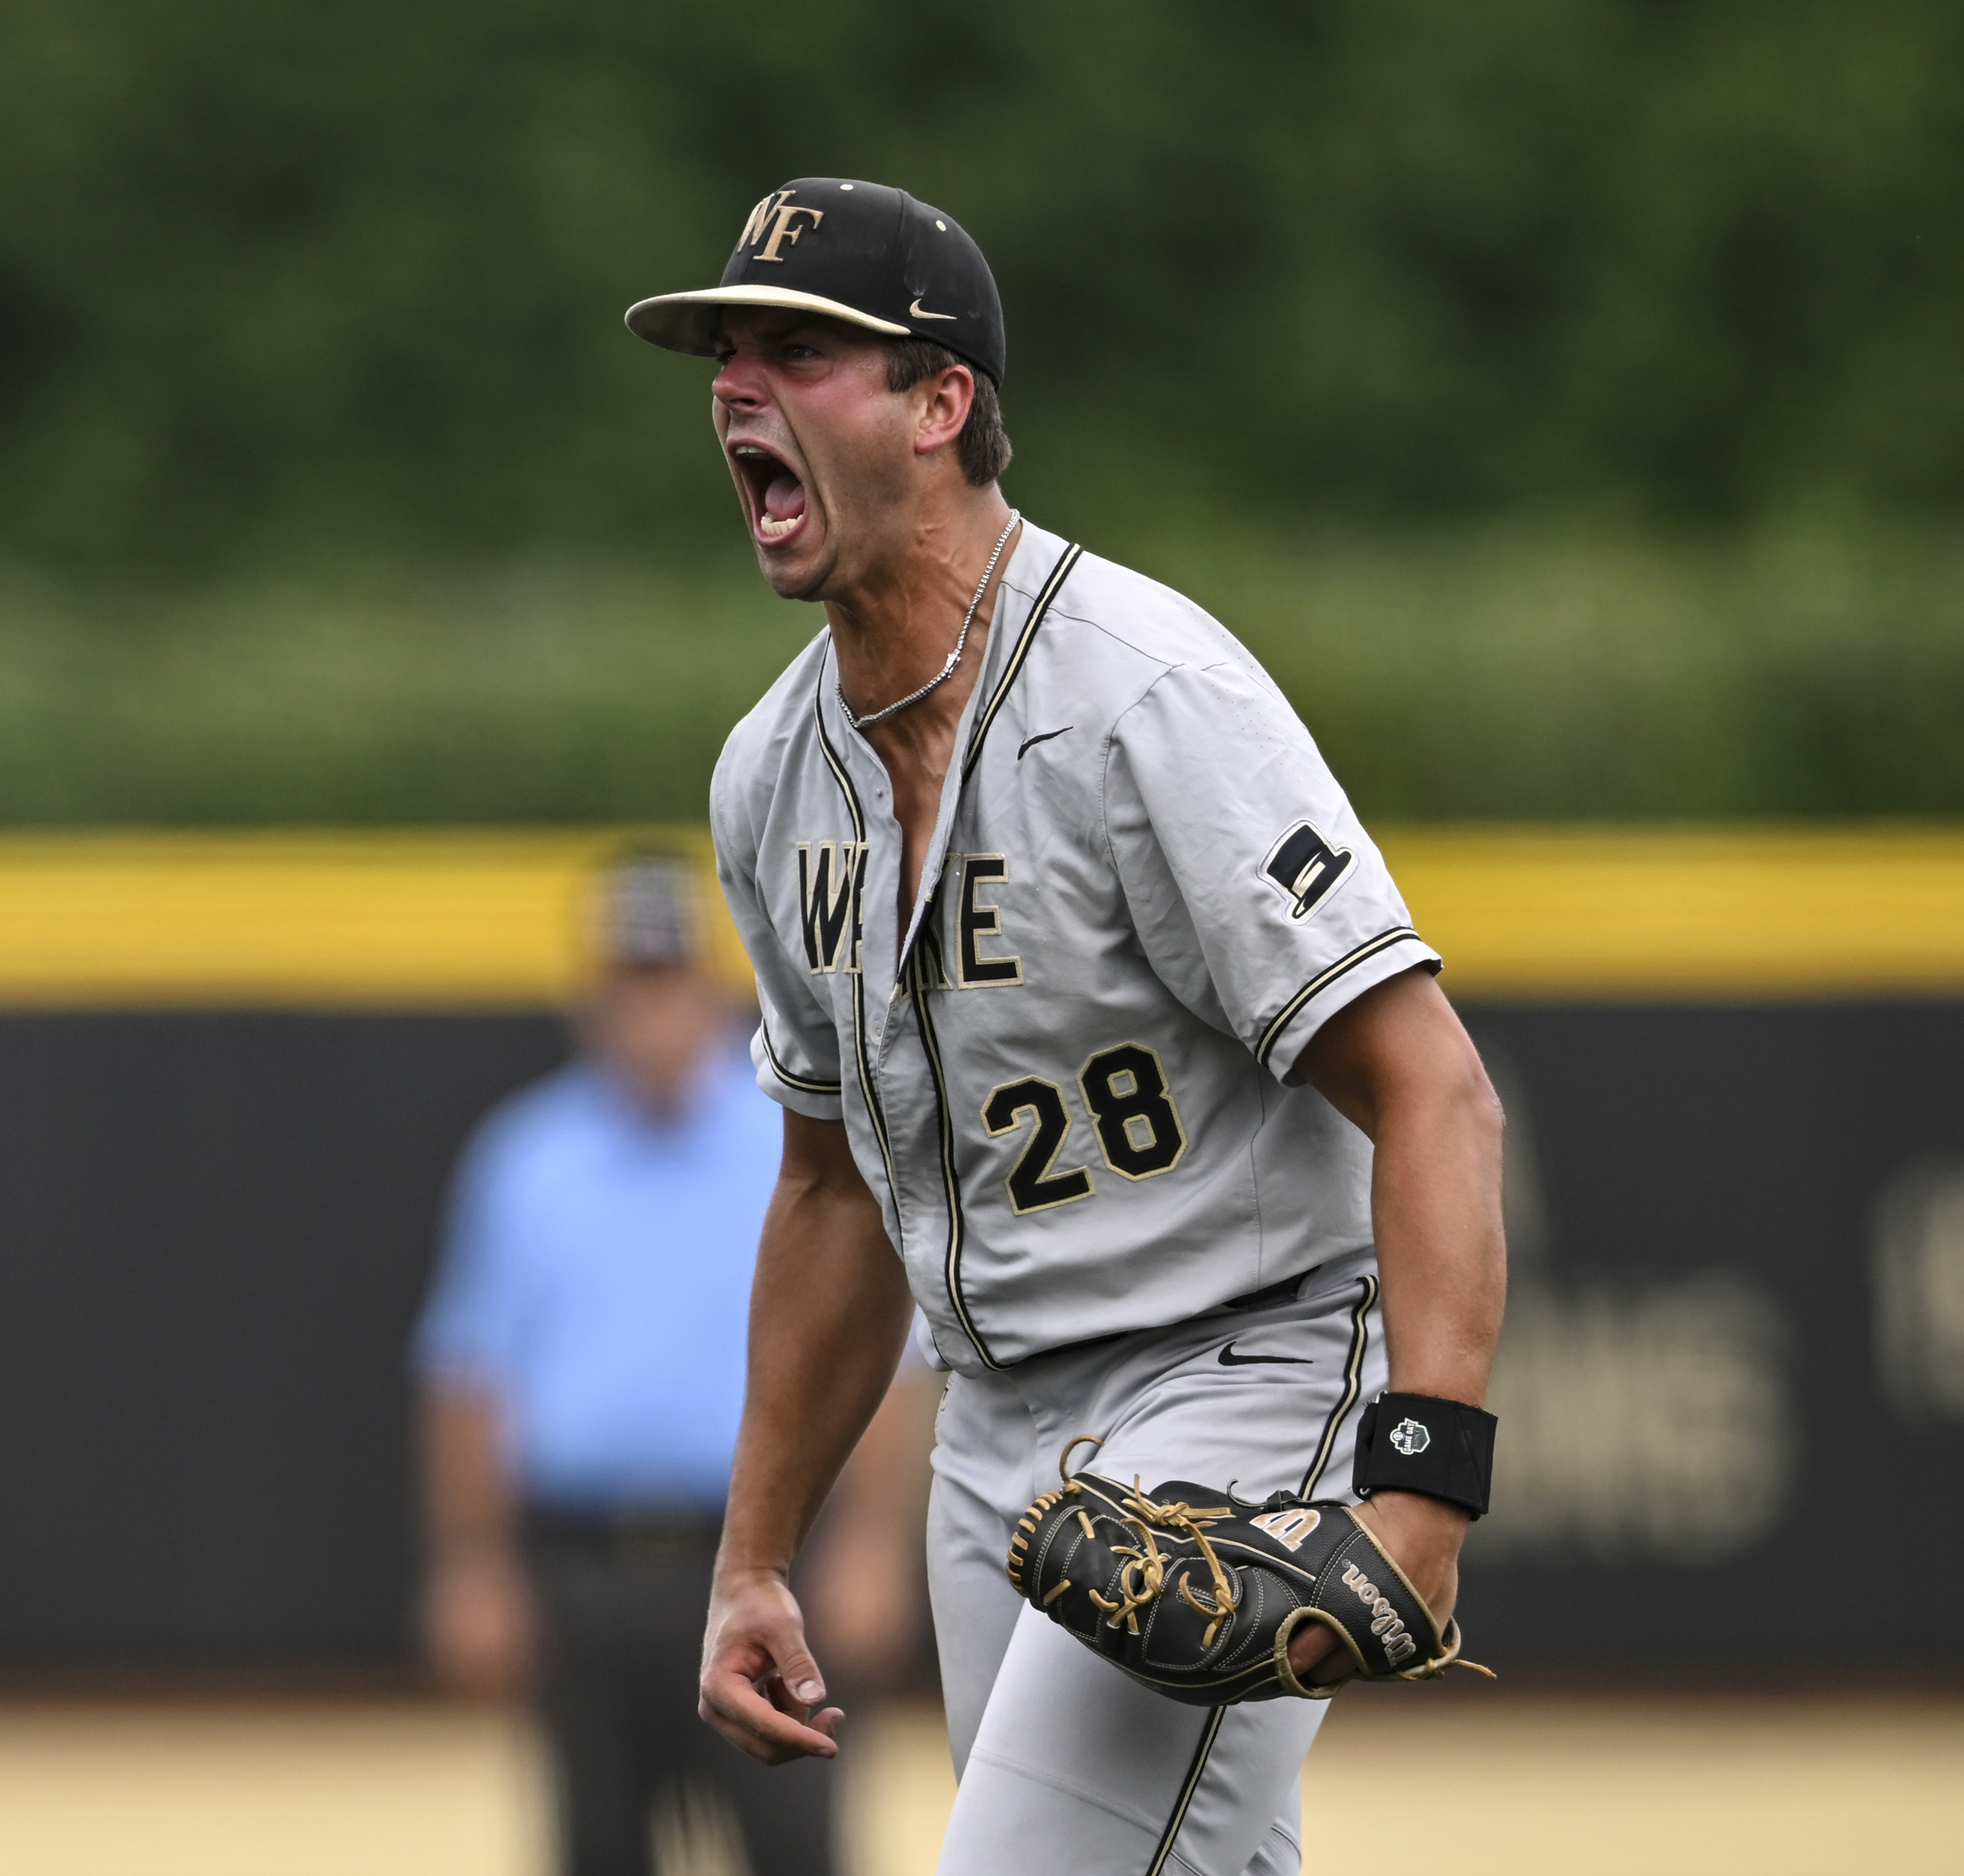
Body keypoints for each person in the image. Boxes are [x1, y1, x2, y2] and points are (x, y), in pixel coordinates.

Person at [618, 180, 1508, 1874]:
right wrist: (752, 1553)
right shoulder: (769, 778)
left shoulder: (1140, 696)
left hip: (1236, 1360)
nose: (736, 384)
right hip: (997, 1430)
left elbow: (1431, 1086)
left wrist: (1419, 1484)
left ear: (939, 402)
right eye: (723, 352)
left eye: (800, 349)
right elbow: (827, 1193)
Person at [414, 852, 931, 1876]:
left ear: (709, 987)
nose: (647, 1006)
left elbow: (879, 1360)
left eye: (665, 977)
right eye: (626, 980)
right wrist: (473, 1563)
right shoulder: (526, 1158)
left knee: (793, 1846)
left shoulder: (793, 1148)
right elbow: (468, 1378)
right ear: (590, 996)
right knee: (599, 1848)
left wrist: (872, 1541)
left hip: (770, 1557)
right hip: (588, 1574)